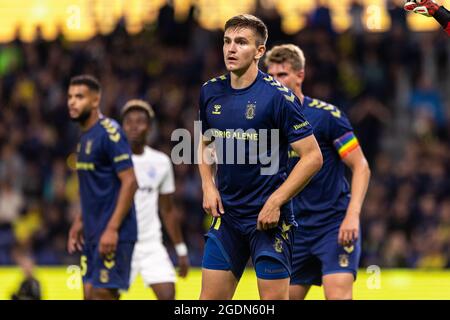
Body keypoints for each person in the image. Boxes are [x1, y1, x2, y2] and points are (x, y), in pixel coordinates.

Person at [198, 14, 323, 300]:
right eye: (227, 41)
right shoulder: (209, 92)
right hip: (227, 217)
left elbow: (313, 157)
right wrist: (208, 183)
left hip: (269, 220)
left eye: (241, 42)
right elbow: (204, 142)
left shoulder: (278, 97)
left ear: (259, 52)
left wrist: (276, 201)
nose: (231, 49)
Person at [265, 44, 371, 300]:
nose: (275, 82)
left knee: (338, 295)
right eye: (270, 77)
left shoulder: (326, 117)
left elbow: (361, 166)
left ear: (300, 75)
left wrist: (352, 215)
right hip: (293, 231)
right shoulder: (266, 123)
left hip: (332, 226)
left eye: (283, 75)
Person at [66, 75, 138, 300]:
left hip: (114, 231)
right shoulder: (85, 136)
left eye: (79, 97)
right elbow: (91, 187)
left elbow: (130, 181)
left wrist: (112, 229)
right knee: (89, 294)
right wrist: (79, 220)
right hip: (92, 231)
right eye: (70, 97)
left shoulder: (109, 132)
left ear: (95, 100)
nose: (72, 102)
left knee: (101, 294)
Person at [121, 99, 190, 300]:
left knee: (168, 295)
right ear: (122, 126)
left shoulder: (161, 162)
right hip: (121, 243)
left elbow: (167, 210)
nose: (134, 126)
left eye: (140, 121)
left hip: (151, 244)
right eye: (129, 121)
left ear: (149, 127)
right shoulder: (111, 161)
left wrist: (181, 249)